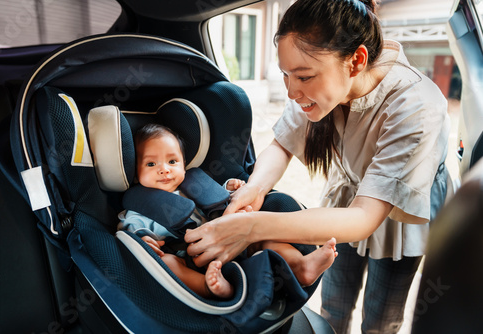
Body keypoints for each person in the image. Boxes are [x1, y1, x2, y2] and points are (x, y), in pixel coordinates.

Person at [185, 0, 450, 332]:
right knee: (333, 304)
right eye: (285, 74)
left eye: (304, 76)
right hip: (348, 202)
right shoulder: (319, 84)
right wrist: (254, 189)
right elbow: (282, 143)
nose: (292, 91)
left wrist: (252, 227)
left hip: (399, 210)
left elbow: (365, 217)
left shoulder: (416, 105)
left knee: (381, 320)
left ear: (356, 61)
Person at [118, 123, 338, 299]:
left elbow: (216, 205)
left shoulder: (195, 185)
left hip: (235, 240)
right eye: (151, 164)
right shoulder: (139, 209)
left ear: (184, 164)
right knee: (168, 264)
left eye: (172, 161)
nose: (164, 169)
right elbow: (130, 231)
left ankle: (300, 266)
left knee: (265, 240)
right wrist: (143, 240)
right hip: (189, 259)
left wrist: (228, 190)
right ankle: (209, 286)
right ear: (135, 173)